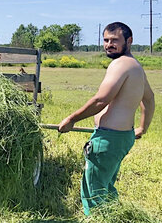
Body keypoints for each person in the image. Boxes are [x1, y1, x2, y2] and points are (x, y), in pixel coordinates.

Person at [58, 22, 155, 215]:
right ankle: (114, 217)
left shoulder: (119, 64)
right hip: (122, 138)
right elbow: (149, 99)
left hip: (108, 140)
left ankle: (98, 219)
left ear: (129, 41)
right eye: (106, 40)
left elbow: (101, 100)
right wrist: (142, 128)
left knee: (93, 193)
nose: (109, 44)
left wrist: (71, 119)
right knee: (106, 187)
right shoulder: (136, 66)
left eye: (115, 40)